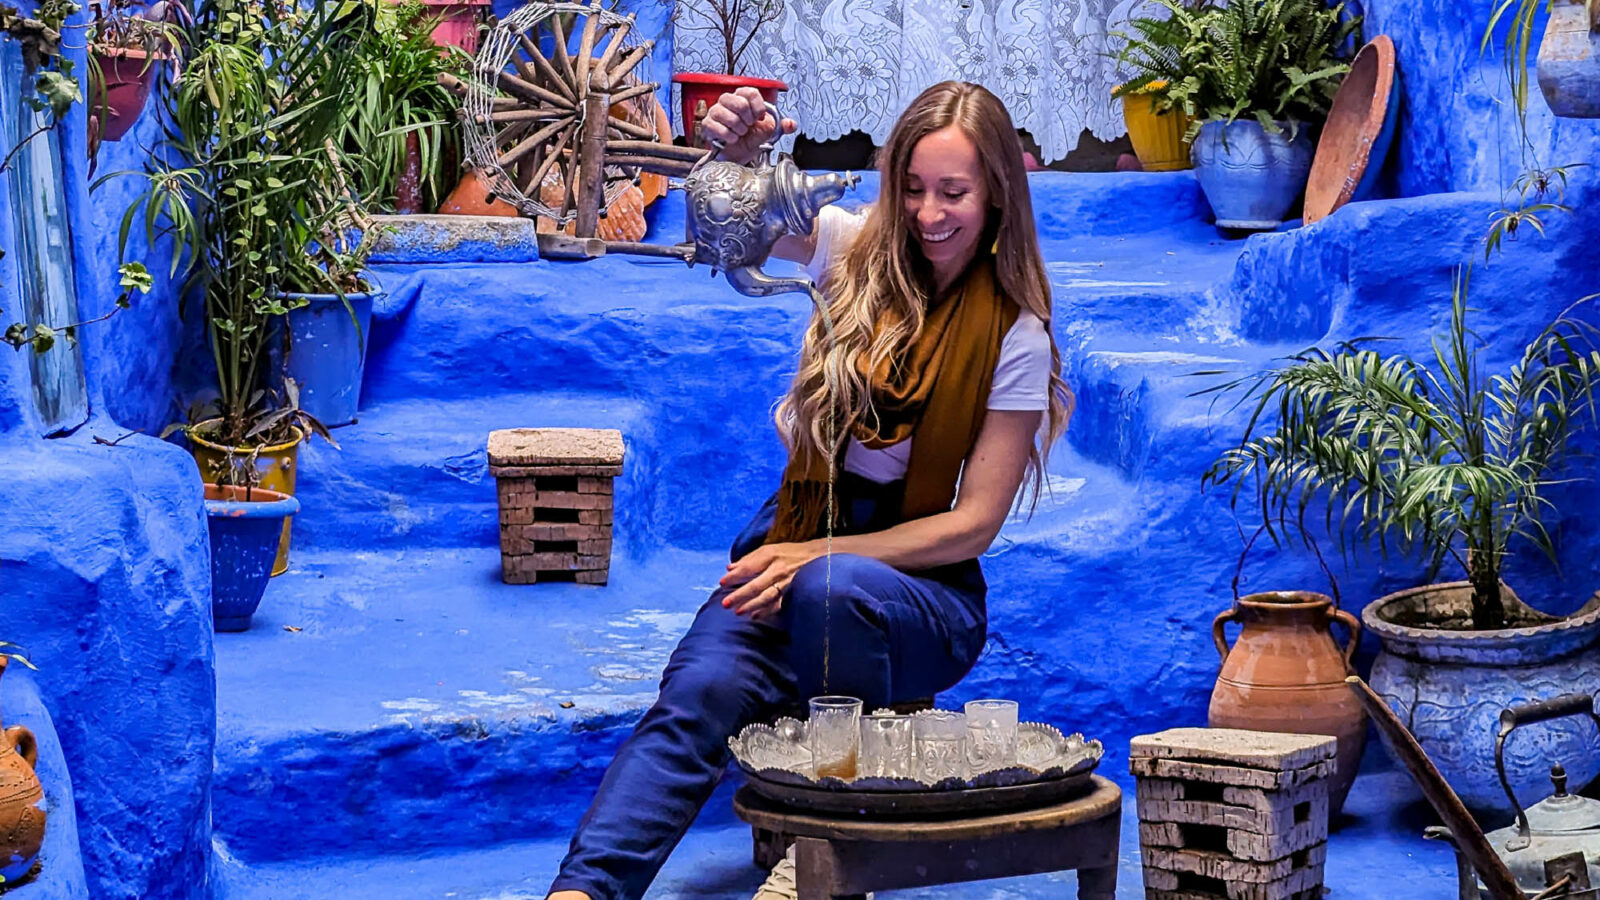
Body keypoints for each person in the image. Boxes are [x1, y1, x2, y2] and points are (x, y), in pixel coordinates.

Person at [547, 80, 1073, 900]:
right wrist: (734, 150)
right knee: (701, 690)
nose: (929, 212)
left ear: (999, 193)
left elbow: (971, 527)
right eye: (912, 187)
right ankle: (580, 892)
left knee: (831, 589)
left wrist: (814, 559)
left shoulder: (1016, 335)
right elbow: (730, 217)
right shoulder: (851, 247)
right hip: (794, 533)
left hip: (920, 587)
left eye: (955, 193)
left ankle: (824, 847)